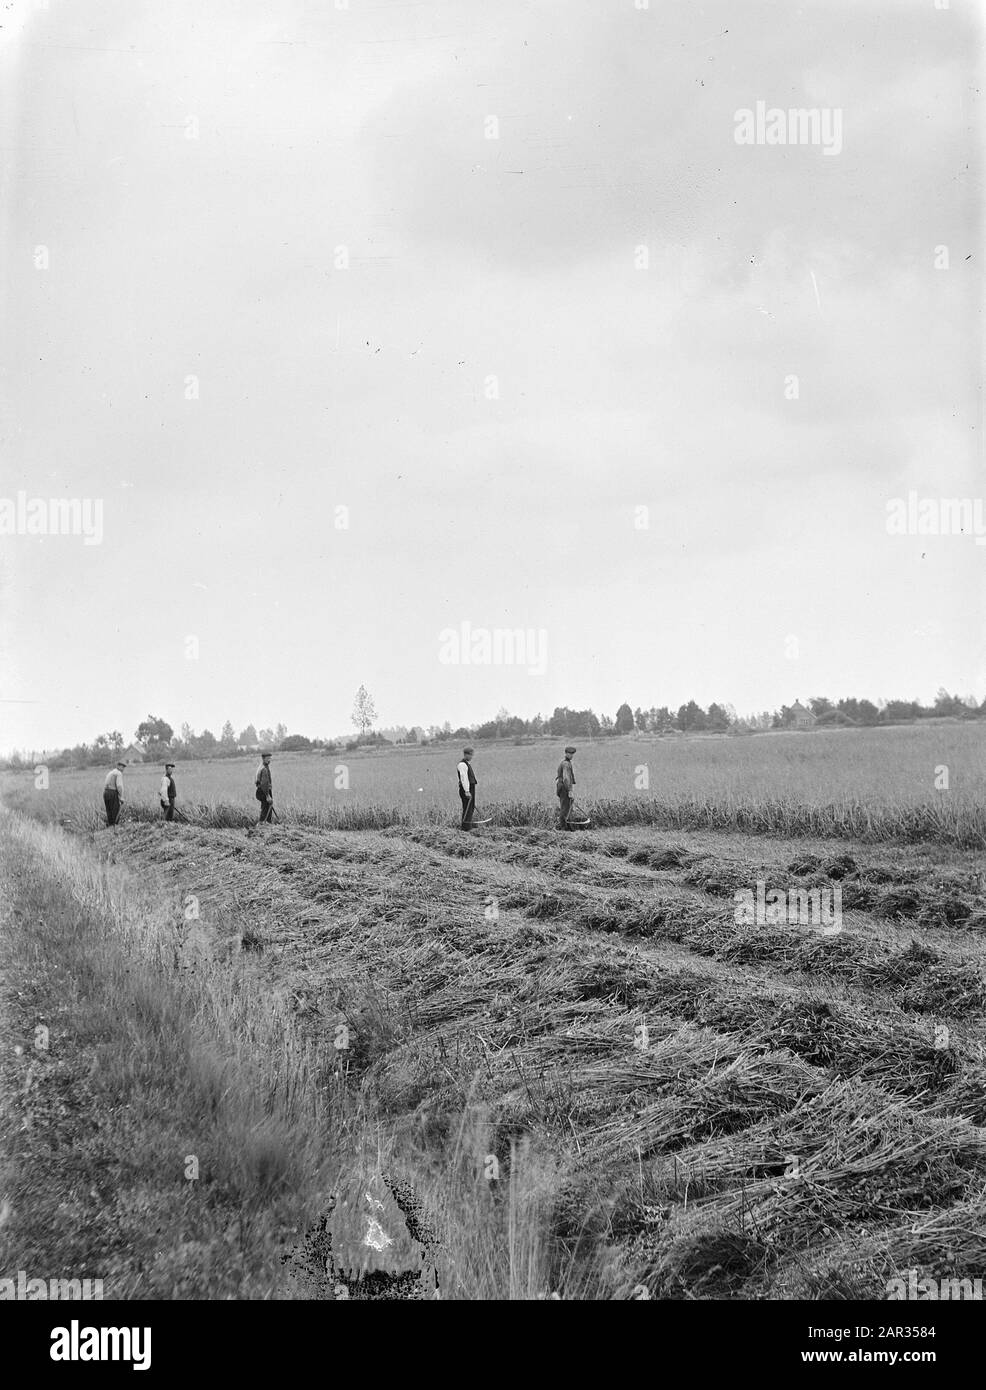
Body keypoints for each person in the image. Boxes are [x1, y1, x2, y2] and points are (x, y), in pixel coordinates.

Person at [556, 745, 576, 830]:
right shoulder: (566, 764)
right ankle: (563, 828)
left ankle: (568, 827)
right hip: (564, 787)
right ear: (566, 754)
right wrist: (569, 791)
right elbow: (566, 778)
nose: (571, 755)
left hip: (562, 786)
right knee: (565, 808)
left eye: (572, 754)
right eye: (569, 754)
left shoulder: (566, 763)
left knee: (567, 807)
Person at [456, 746, 477, 830]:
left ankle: (468, 826)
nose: (472, 757)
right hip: (466, 789)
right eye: (471, 755)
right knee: (467, 808)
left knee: (470, 807)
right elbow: (464, 778)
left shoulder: (467, 764)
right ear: (466, 754)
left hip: (470, 788)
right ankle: (466, 828)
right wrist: (467, 791)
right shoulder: (462, 764)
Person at [103, 760, 127, 826]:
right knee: (115, 811)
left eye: (124, 767)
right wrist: (121, 797)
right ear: (118, 766)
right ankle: (115, 826)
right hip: (112, 792)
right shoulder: (118, 773)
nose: (123, 769)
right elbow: (119, 786)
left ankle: (110, 826)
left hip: (106, 793)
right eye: (122, 767)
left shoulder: (110, 772)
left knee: (109, 811)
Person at [255, 750, 274, 823]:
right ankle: (264, 824)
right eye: (268, 758)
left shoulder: (261, 766)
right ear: (263, 759)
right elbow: (264, 783)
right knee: (266, 808)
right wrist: (268, 796)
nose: (269, 760)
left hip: (260, 790)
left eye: (270, 758)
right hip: (264, 791)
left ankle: (264, 824)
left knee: (265, 807)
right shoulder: (264, 769)